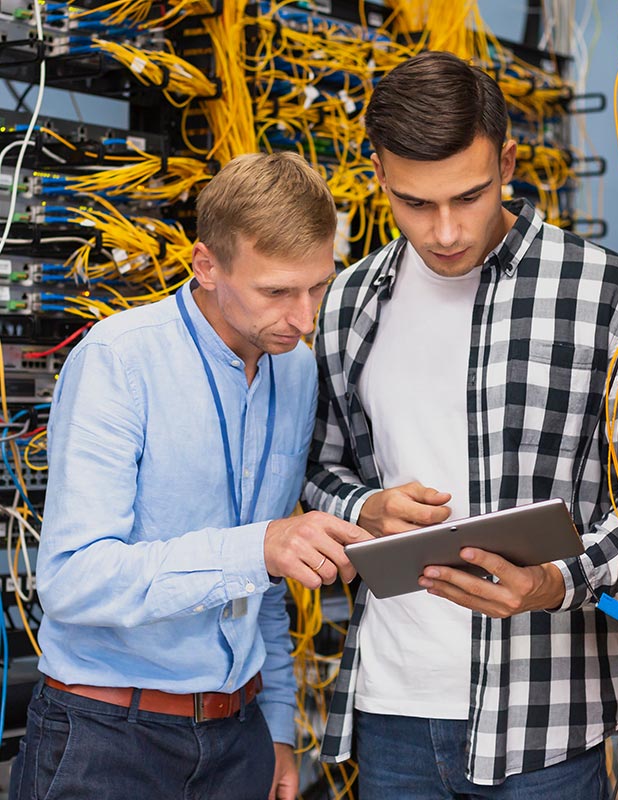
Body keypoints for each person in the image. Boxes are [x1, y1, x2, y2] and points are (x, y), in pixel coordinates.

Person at [303, 51, 618, 798]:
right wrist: (366, 508)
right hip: (393, 710)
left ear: (508, 160)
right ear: (378, 171)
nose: (446, 231)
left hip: (548, 719)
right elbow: (319, 471)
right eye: (416, 204)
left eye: (470, 196)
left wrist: (555, 582)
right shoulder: (348, 301)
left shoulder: (609, 293)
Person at [10, 151, 372, 800]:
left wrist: (279, 729)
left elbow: (263, 587)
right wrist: (256, 547)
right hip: (107, 739)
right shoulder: (119, 362)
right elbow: (71, 581)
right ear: (207, 266)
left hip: (240, 737)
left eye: (318, 286)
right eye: (277, 292)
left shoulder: (294, 372)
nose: (304, 318)